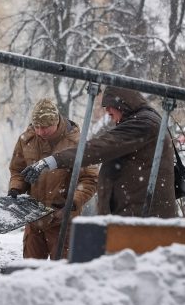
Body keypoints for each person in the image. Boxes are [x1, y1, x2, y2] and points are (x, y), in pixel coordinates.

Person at [22, 87, 176, 218]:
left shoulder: (143, 124)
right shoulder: (143, 121)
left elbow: (98, 148)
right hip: (135, 212)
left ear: (123, 103)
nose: (106, 109)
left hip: (139, 215)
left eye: (110, 105)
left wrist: (51, 161)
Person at [8, 99, 98, 259]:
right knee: (30, 272)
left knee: (62, 274)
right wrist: (16, 188)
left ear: (56, 122)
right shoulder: (26, 140)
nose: (40, 132)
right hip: (33, 220)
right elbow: (17, 170)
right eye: (36, 127)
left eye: (45, 127)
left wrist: (72, 202)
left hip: (63, 221)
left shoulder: (76, 143)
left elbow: (90, 179)